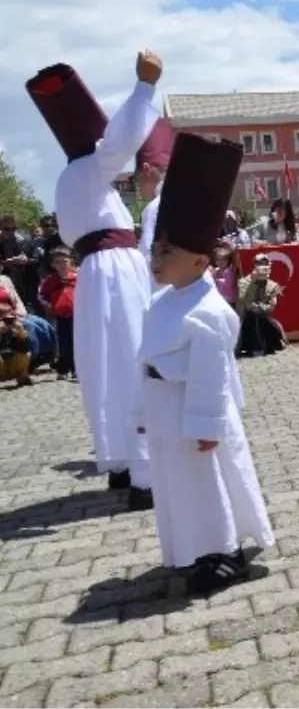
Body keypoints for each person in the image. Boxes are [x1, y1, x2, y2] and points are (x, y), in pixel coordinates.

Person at [134, 132, 274, 595]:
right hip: (164, 412)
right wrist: (140, 413)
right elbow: (146, 358)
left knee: (209, 483)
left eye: (166, 252)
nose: (155, 260)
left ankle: (223, 550)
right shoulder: (163, 301)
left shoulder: (209, 310)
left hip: (194, 416)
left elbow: (214, 375)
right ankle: (191, 546)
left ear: (198, 261)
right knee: (179, 487)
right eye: (155, 250)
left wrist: (206, 425)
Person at [26, 55, 162, 510]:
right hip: (117, 271)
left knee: (105, 369)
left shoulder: (68, 178)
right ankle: (145, 475)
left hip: (95, 275)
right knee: (133, 362)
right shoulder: (92, 165)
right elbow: (122, 140)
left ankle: (121, 462)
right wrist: (145, 87)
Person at [135, 118, 175, 270]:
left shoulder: (155, 208)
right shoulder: (189, 198)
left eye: (136, 178)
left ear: (146, 169)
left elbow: (148, 261)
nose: (137, 185)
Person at [236, 254, 287, 357]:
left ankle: (270, 343)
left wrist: (259, 306)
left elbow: (271, 307)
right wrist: (253, 283)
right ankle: (256, 347)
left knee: (259, 314)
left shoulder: (272, 285)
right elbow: (243, 302)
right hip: (246, 321)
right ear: (254, 266)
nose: (262, 267)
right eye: (259, 264)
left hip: (264, 319)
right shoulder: (243, 282)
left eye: (265, 264)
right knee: (253, 313)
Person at [38, 247, 77, 380]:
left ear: (71, 262)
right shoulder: (50, 280)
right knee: (63, 343)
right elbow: (41, 296)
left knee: (77, 342)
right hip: (60, 316)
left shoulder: (78, 277)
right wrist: (52, 306)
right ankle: (63, 369)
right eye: (58, 262)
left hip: (77, 315)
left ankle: (77, 369)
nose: (61, 265)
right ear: (53, 265)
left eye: (64, 261)